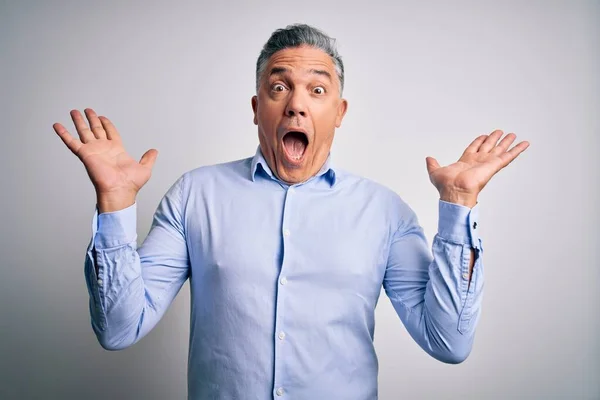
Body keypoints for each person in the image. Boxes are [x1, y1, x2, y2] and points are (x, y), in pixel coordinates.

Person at [53, 24, 529, 400]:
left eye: (316, 91)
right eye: (279, 88)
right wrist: (115, 202)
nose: (297, 105)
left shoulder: (386, 213)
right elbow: (117, 329)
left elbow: (449, 342)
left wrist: (459, 204)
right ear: (258, 108)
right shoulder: (195, 196)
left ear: (339, 112)